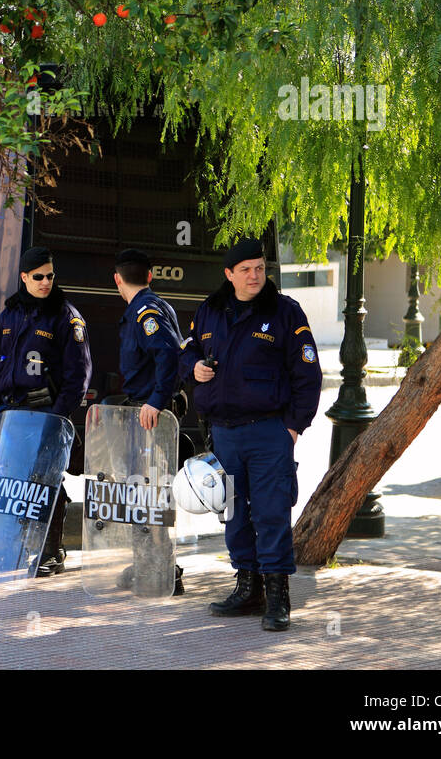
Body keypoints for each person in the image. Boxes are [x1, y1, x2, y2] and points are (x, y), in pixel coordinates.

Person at [178, 238, 321, 631]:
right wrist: (193, 369)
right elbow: (186, 351)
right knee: (235, 514)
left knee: (272, 513)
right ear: (229, 274)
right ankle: (248, 587)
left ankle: (277, 596)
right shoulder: (209, 311)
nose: (255, 275)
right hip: (223, 433)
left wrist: (293, 427)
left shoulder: (285, 312)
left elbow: (308, 375)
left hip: (269, 432)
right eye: (246, 270)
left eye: (259, 267)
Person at [0, 245, 92, 576]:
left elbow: (79, 376)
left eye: (50, 276)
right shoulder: (11, 313)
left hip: (46, 411)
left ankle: (50, 551)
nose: (46, 282)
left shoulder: (65, 316)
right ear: (24, 278)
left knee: (46, 481)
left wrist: (57, 417)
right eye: (39, 277)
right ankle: (10, 549)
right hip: (12, 414)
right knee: (13, 481)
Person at [111, 248, 187, 595]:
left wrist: (156, 401)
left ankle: (164, 568)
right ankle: (146, 562)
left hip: (148, 415)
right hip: (141, 412)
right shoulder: (153, 306)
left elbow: (168, 352)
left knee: (152, 492)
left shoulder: (145, 311)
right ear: (150, 276)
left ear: (117, 279)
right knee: (141, 490)